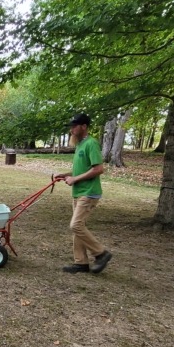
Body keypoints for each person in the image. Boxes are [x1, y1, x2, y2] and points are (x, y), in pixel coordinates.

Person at [56, 113, 112, 274]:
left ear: (84, 126)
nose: (72, 129)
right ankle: (81, 262)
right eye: (71, 126)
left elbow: (98, 169)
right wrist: (66, 175)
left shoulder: (91, 143)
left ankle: (101, 253)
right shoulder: (80, 144)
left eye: (75, 126)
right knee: (78, 226)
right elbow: (80, 170)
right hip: (79, 192)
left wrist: (74, 179)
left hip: (89, 192)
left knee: (76, 225)